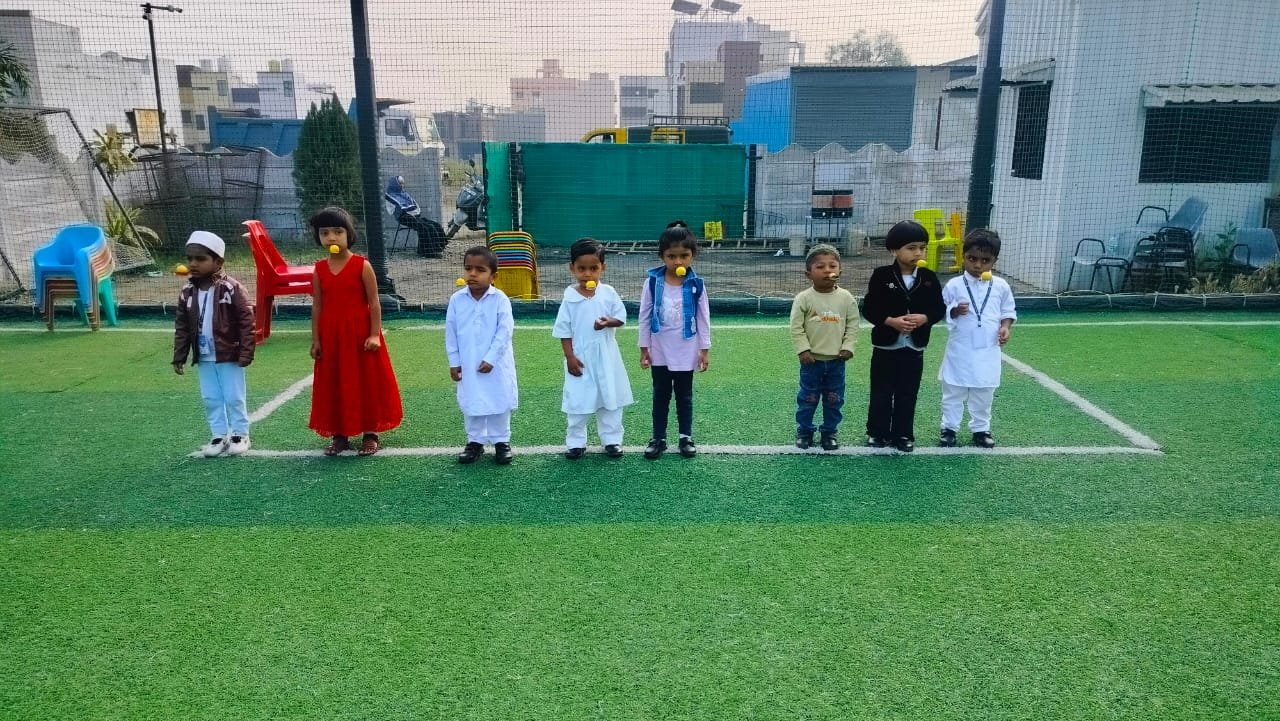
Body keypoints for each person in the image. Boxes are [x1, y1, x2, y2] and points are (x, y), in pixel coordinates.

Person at [307, 206, 404, 456]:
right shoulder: (319, 269)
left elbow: (374, 303)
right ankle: (340, 435)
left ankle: (370, 433)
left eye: (337, 231)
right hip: (332, 336)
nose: (331, 237)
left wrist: (374, 334)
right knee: (335, 381)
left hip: (360, 335)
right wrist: (316, 340)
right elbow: (317, 306)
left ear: (349, 234)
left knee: (366, 381)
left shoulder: (362, 265)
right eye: (324, 232)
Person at [861, 220, 946, 453]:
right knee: (881, 391)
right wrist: (891, 321)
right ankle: (877, 433)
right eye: (911, 248)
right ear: (894, 250)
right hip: (885, 347)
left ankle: (903, 434)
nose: (918, 253)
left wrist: (924, 318)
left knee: (908, 393)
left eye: (922, 247)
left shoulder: (929, 277)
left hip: (914, 348)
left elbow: (939, 308)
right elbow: (869, 308)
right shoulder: (881, 275)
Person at [172, 230, 255, 457]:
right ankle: (218, 434)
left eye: (200, 259)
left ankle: (240, 434)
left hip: (228, 353)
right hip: (204, 354)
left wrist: (246, 351)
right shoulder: (187, 292)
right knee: (210, 397)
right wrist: (180, 355)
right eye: (190, 259)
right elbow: (182, 327)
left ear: (218, 262)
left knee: (234, 396)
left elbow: (246, 321)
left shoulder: (232, 288)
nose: (193, 264)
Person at [553, 237, 634, 459]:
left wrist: (608, 322)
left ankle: (612, 440)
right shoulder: (569, 298)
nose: (587, 274)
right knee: (578, 399)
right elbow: (564, 331)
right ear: (572, 268)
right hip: (580, 358)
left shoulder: (608, 293)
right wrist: (570, 357)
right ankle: (576, 442)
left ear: (602, 268)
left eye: (593, 269)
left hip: (607, 356)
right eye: (582, 269)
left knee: (610, 398)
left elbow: (621, 317)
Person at [638, 220, 711, 460]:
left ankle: (685, 437)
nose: (678, 262)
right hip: (659, 349)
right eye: (671, 256)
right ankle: (658, 438)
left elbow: (703, 318)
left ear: (692, 255)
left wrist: (704, 349)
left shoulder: (696, 285)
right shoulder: (652, 283)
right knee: (660, 395)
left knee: (684, 395)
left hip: (686, 349)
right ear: (662, 256)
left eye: (684, 256)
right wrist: (644, 348)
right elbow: (644, 316)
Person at [938, 229, 1017, 448]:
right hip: (960, 348)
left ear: (994, 260)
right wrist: (954, 311)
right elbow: (941, 310)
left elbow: (1008, 311)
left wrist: (1005, 327)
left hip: (988, 349)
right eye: (972, 259)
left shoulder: (1001, 286)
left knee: (984, 392)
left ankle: (981, 429)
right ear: (963, 257)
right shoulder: (954, 285)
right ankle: (949, 428)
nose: (978, 265)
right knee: (953, 391)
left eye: (985, 260)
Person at [447, 246, 518, 465]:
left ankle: (501, 441)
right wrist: (454, 362)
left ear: (493, 276)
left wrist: (491, 358)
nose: (473, 274)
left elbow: (504, 331)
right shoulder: (457, 300)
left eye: (480, 270)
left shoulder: (500, 299)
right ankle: (475, 441)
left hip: (496, 364)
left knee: (499, 398)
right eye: (468, 268)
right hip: (468, 362)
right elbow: (451, 333)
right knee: (472, 400)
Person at [789, 243, 858, 451]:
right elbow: (796, 327)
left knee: (834, 399)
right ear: (808, 274)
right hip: (812, 362)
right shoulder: (804, 298)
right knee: (808, 398)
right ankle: (805, 431)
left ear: (840, 271)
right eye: (820, 267)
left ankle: (829, 432)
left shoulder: (846, 298)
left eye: (832, 266)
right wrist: (803, 350)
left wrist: (849, 347)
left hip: (837, 361)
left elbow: (853, 325)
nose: (827, 271)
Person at [385, 175, 446, 258]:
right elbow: (398, 209)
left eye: (403, 183)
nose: (402, 185)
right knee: (425, 227)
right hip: (403, 217)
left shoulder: (404, 194)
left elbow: (414, 205)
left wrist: (415, 212)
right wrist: (410, 212)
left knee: (435, 225)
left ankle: (438, 247)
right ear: (395, 184)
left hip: (413, 215)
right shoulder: (390, 196)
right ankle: (428, 252)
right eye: (400, 183)